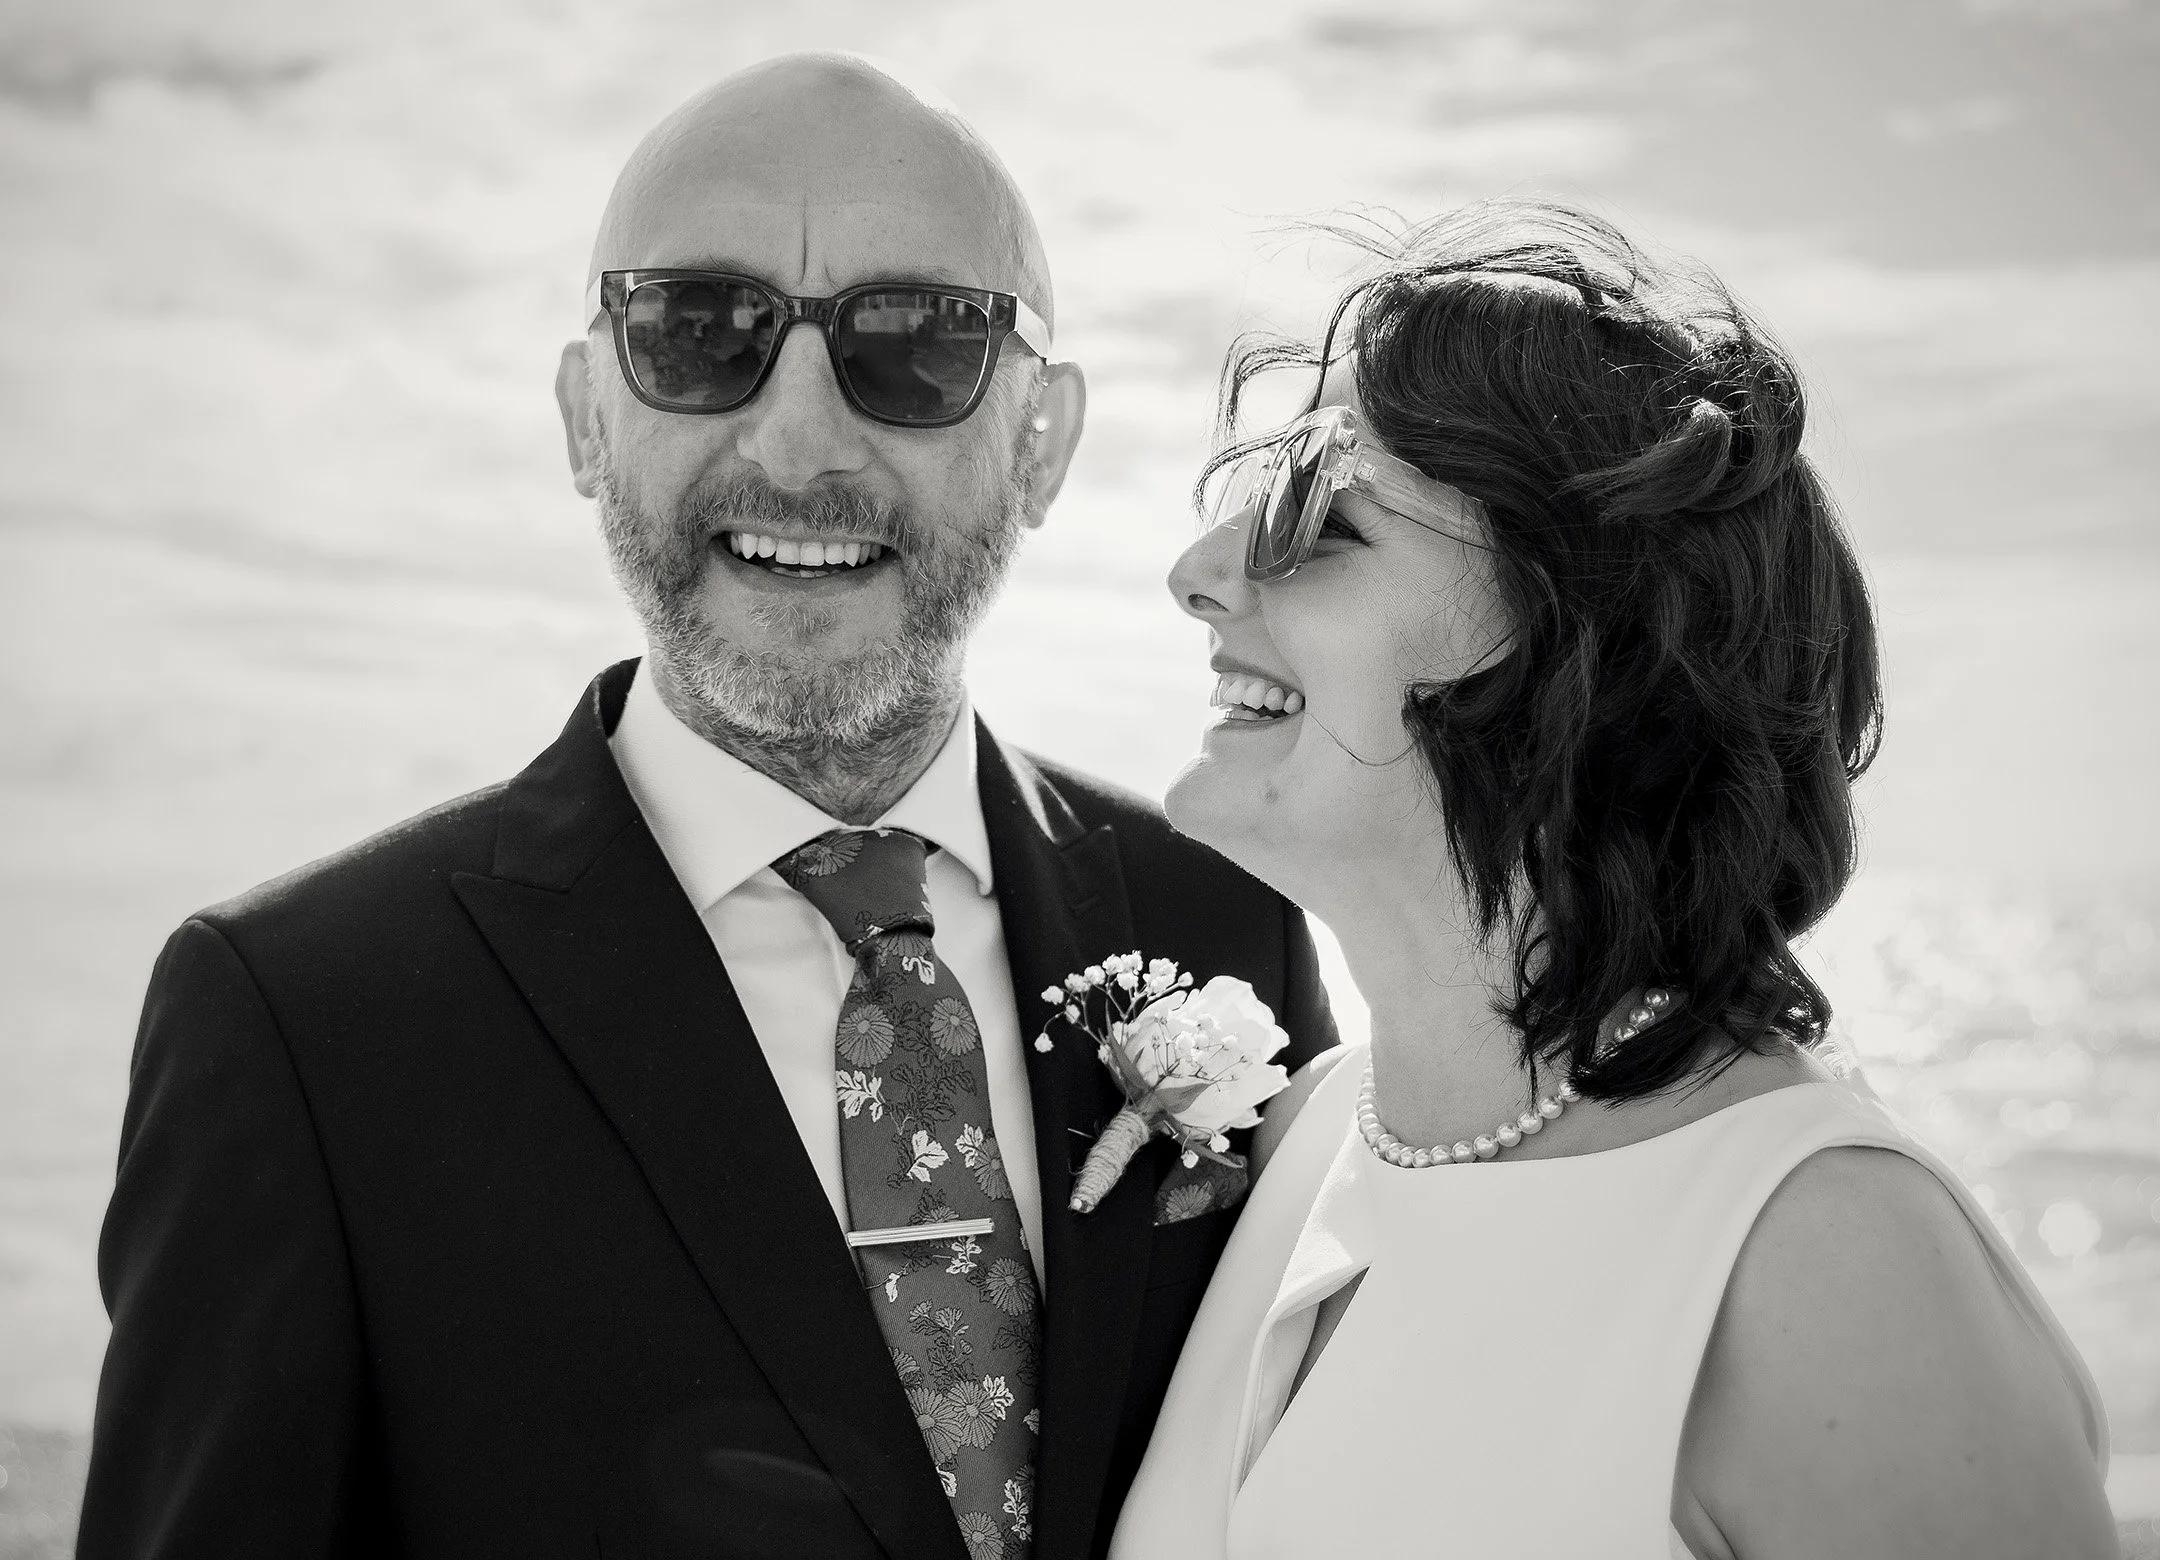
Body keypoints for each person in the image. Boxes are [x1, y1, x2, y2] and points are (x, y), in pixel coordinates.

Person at [78, 55, 1337, 1560]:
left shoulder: (1221, 917)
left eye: (918, 347)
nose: (799, 444)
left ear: (1044, 439)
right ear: (586, 418)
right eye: (698, 333)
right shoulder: (299, 1021)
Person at [1113, 203, 2117, 1559]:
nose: (1196, 575)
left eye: (1320, 520)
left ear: (1581, 647)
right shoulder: (1304, 1140)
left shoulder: (1823, 1262)